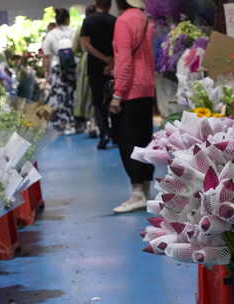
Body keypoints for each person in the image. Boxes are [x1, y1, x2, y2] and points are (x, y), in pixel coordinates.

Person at [110, 0, 156, 213]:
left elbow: (126, 61)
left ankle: (137, 193)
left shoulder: (123, 21)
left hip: (130, 90)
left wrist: (118, 94)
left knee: (128, 141)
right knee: (145, 140)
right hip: (147, 88)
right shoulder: (147, 20)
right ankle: (146, 191)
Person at [81, 0, 117, 149]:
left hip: (94, 67)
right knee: (113, 99)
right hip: (113, 67)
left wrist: (102, 58)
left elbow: (86, 45)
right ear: (109, 5)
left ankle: (104, 134)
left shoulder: (88, 21)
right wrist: (111, 61)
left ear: (96, 4)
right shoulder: (115, 21)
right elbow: (119, 44)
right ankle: (116, 134)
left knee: (98, 102)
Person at [43, 9, 77, 134]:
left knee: (60, 97)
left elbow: (46, 56)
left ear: (56, 20)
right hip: (73, 68)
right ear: (68, 19)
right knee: (73, 95)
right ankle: (75, 123)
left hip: (58, 69)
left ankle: (64, 124)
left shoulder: (51, 35)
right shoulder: (74, 32)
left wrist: (47, 73)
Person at [73, 5, 96, 135]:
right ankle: (94, 124)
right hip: (103, 61)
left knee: (83, 93)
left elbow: (74, 48)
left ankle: (83, 123)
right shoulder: (101, 26)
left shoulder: (80, 29)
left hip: (86, 62)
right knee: (96, 94)